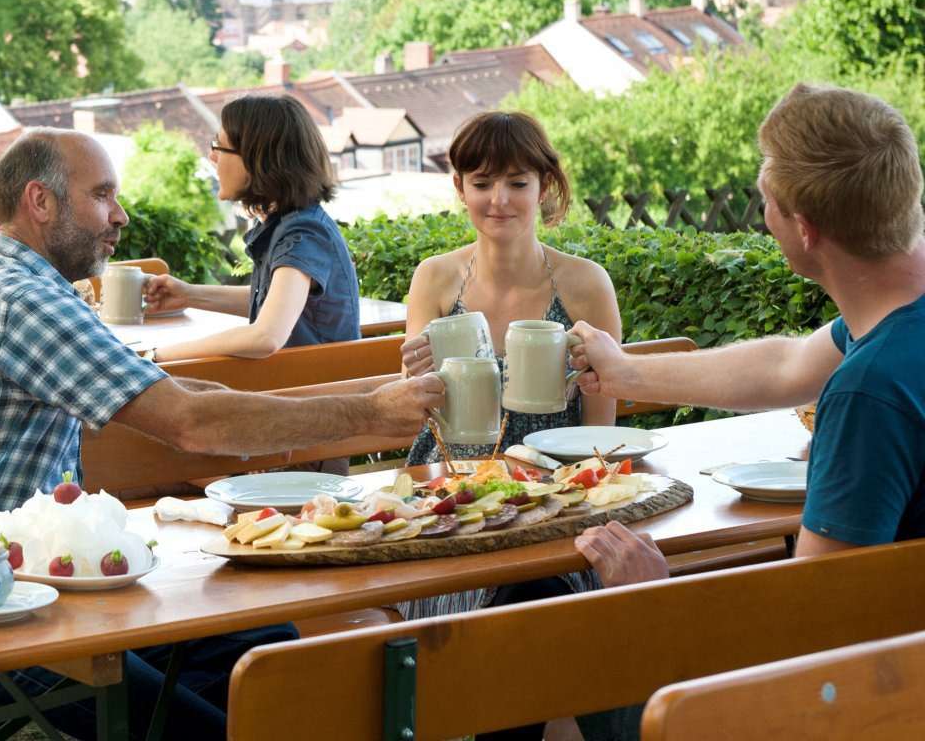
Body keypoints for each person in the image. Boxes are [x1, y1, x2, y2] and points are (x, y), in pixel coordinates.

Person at [0, 127, 443, 741]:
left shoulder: (9, 281)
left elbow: (191, 398)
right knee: (231, 714)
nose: (120, 215)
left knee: (264, 649)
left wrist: (363, 403)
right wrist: (369, 415)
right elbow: (190, 423)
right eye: (102, 195)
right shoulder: (23, 300)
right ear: (40, 202)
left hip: (32, 592)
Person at [571, 83, 925, 586]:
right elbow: (787, 366)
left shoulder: (869, 392)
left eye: (767, 201)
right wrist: (624, 371)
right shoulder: (895, 320)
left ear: (805, 230)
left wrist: (653, 592)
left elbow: (821, 615)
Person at [399, 111, 622, 466]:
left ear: (543, 186)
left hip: (555, 478)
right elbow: (418, 408)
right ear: (460, 188)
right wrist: (415, 377)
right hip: (452, 478)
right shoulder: (434, 277)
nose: (499, 200)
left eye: (517, 184)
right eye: (482, 183)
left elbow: (600, 429)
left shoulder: (587, 283)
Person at [145, 94, 360, 362]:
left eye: (219, 147)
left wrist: (156, 357)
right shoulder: (291, 223)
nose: (212, 157)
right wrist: (189, 295)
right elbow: (273, 303)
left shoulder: (303, 234)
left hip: (313, 396)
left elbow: (266, 336)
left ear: (257, 159)